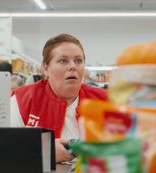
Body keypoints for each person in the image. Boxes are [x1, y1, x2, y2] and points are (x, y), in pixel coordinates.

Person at [10, 34, 107, 163]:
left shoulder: (104, 101)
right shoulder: (22, 100)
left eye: (78, 60)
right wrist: (44, 152)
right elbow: (5, 150)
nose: (73, 66)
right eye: (63, 60)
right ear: (46, 69)